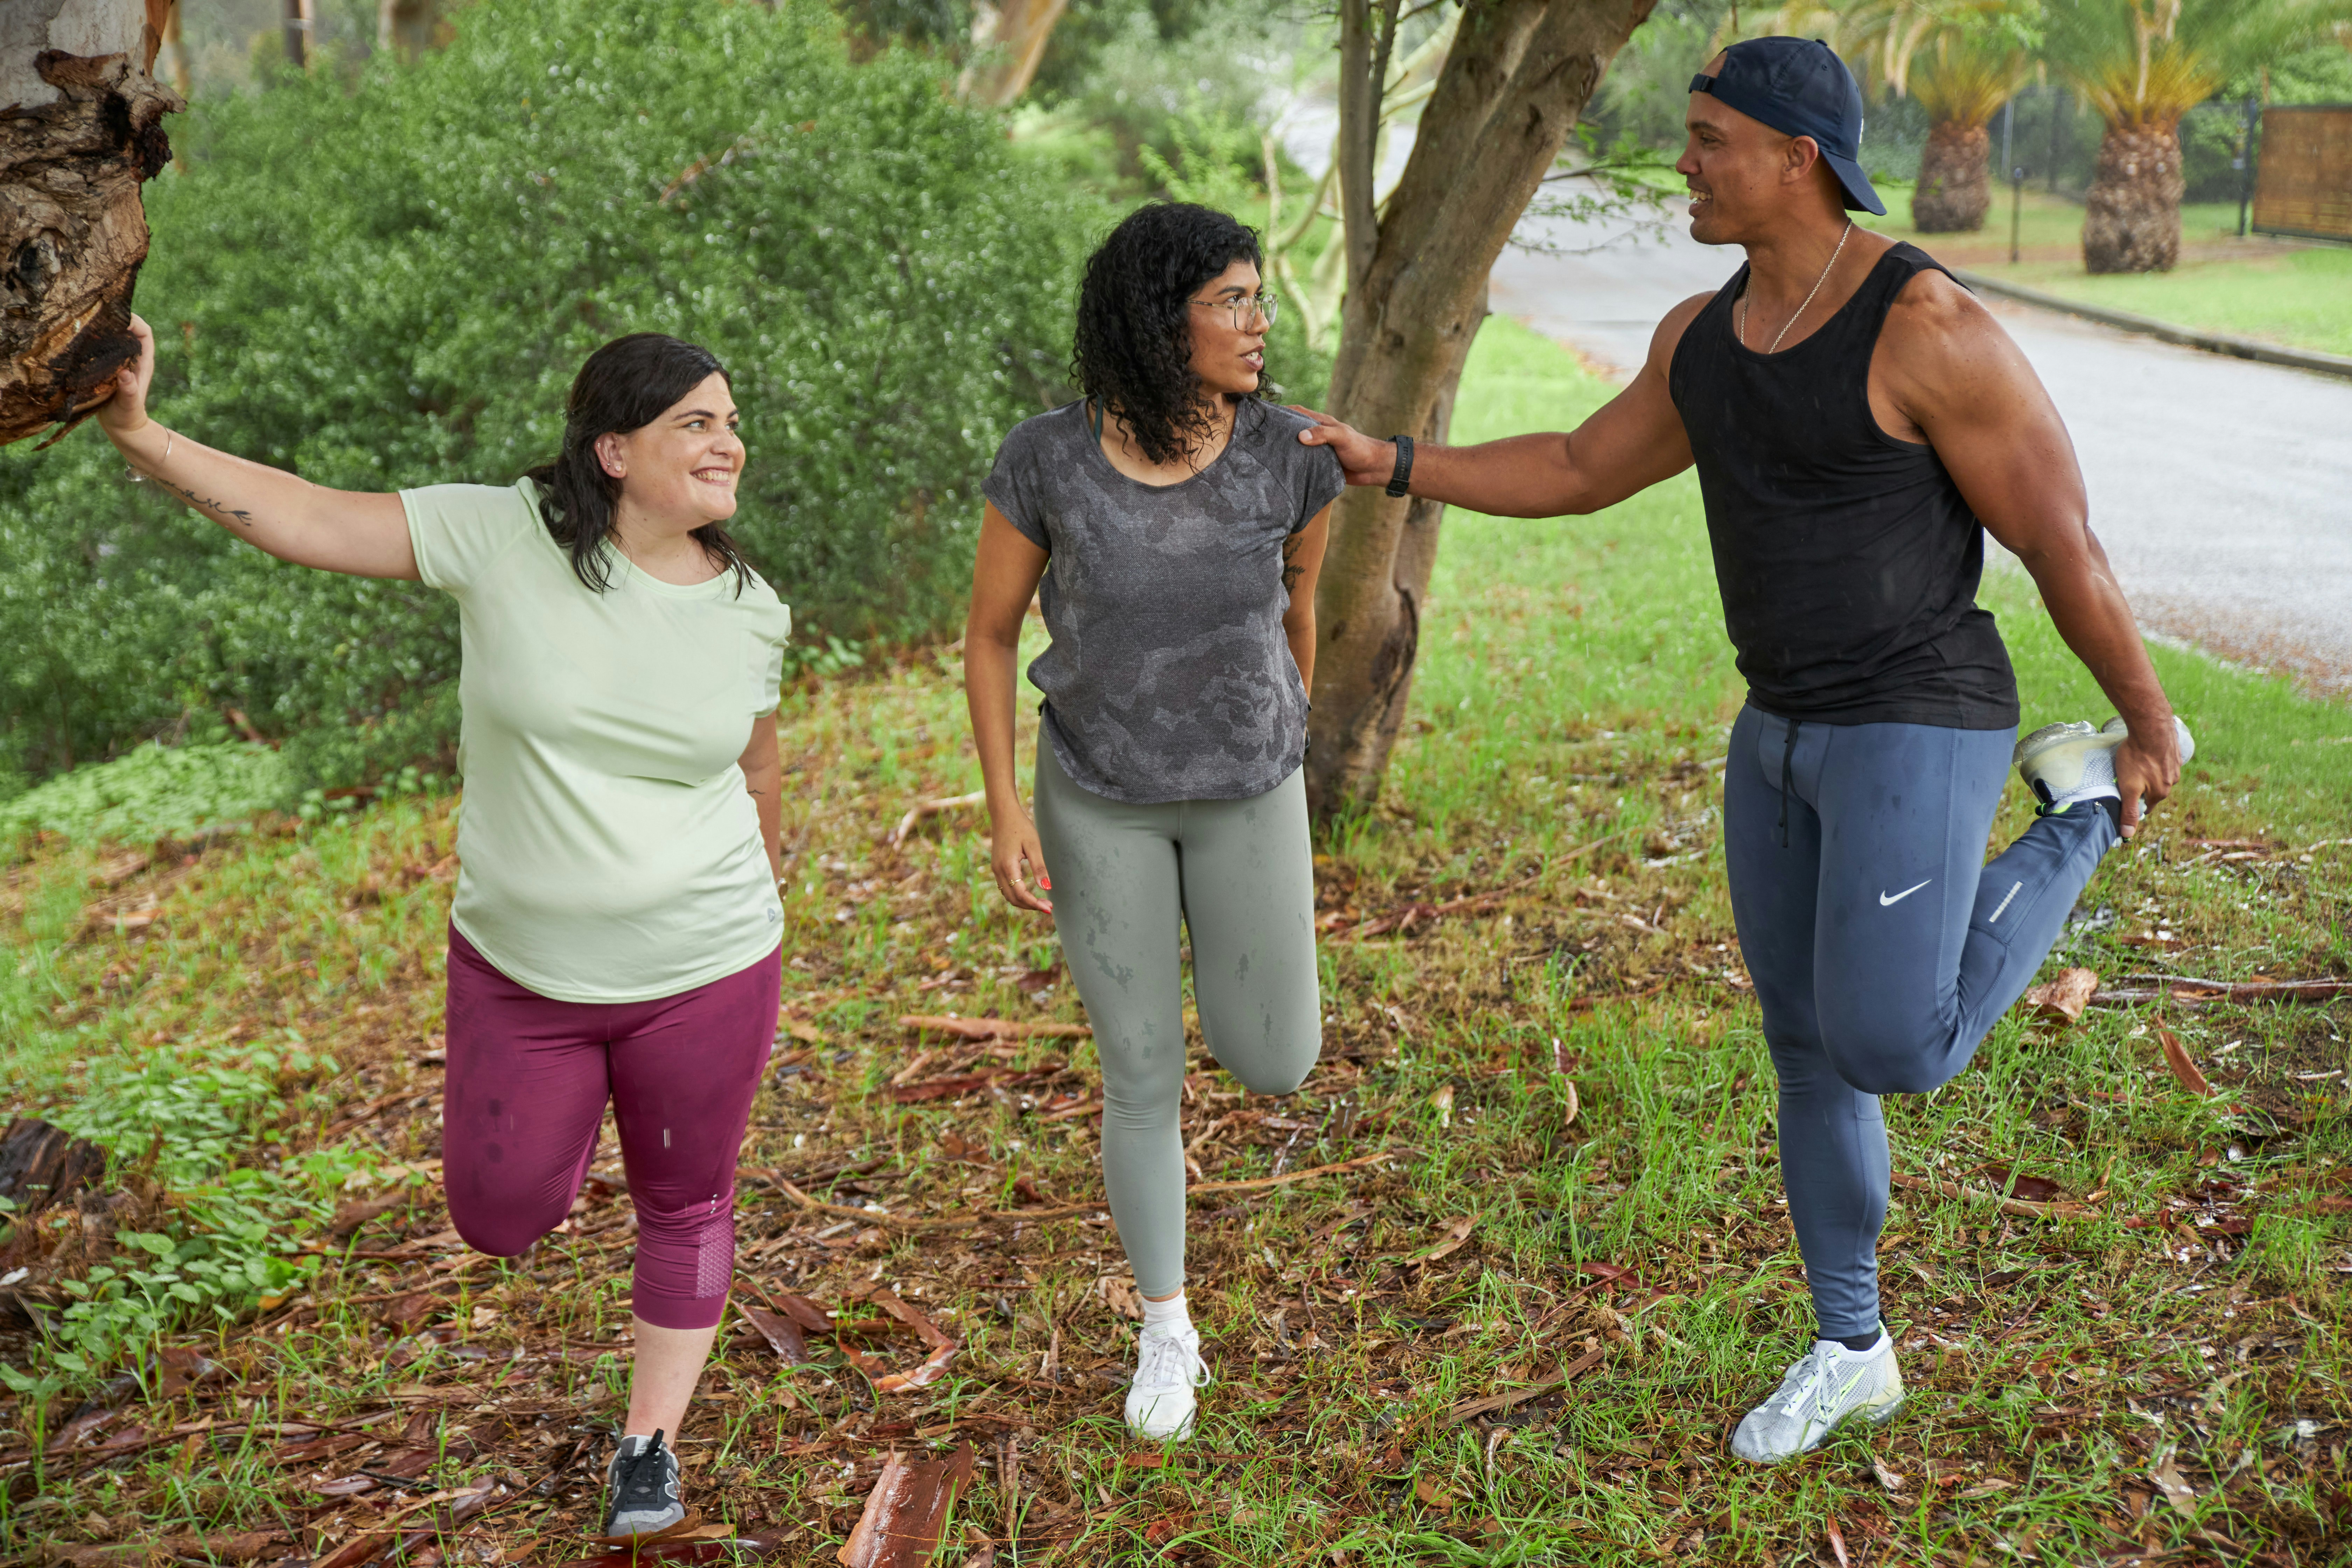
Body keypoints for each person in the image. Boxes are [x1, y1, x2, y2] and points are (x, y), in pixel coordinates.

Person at [1295, 37, 2192, 1464]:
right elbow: (1583, 466)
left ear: (1801, 157)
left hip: (1920, 707)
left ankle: (2075, 808)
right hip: (1777, 730)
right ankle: (1854, 1347)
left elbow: (2055, 534)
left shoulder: (1923, 324)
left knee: (1892, 1040)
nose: (1689, 164)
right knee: (1806, 1044)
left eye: (1713, 138)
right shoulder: (1699, 342)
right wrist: (1390, 460)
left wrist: (2144, 721)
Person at [93, 324, 793, 1534]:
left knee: (686, 1201)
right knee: (500, 1213)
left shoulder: (750, 607)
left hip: (709, 963)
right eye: (698, 422)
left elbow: (759, 771)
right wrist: (142, 437)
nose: (728, 443)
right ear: (613, 449)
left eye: (731, 422)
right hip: (525, 973)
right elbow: (309, 516)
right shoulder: (505, 535)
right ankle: (567, 1131)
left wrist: (761, 904)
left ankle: (649, 1449)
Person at [964, 203, 1342, 1440]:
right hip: (1099, 797)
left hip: (1249, 787)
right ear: (1156, 316)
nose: (1258, 320)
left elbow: (1305, 610)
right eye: (1231, 298)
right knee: (1141, 1075)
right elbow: (988, 635)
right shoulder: (1045, 460)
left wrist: (1283, 738)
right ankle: (1166, 1326)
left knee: (1276, 1058)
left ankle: (1174, 1296)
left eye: (1258, 296)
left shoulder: (1290, 450)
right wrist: (1007, 807)